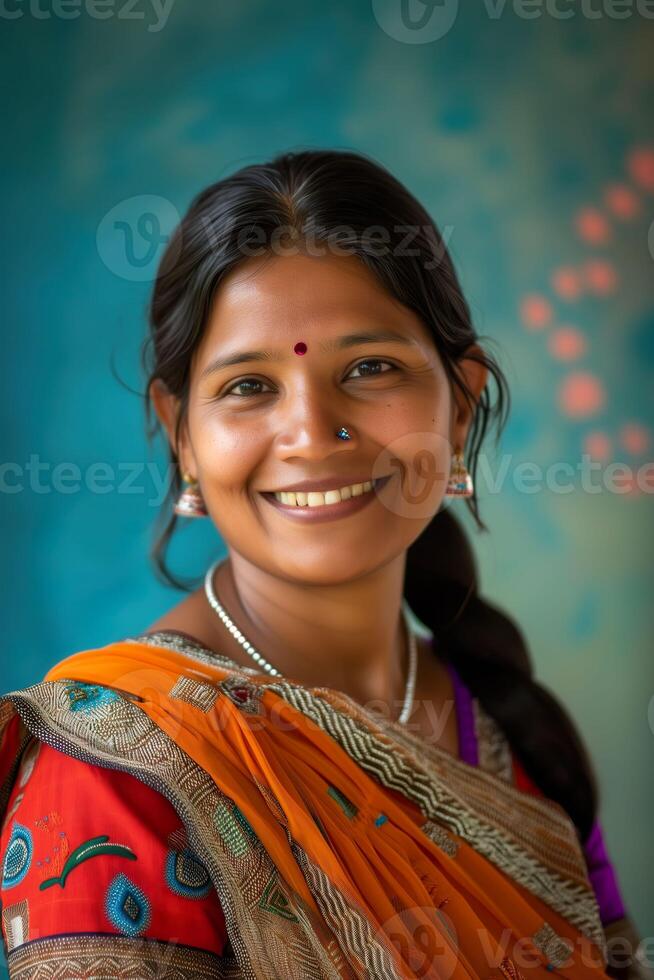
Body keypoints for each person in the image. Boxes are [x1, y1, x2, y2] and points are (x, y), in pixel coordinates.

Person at [0, 149, 648, 979]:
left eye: (370, 368)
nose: (313, 432)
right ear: (181, 433)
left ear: (459, 408)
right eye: (248, 386)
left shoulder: (516, 733)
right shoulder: (116, 769)